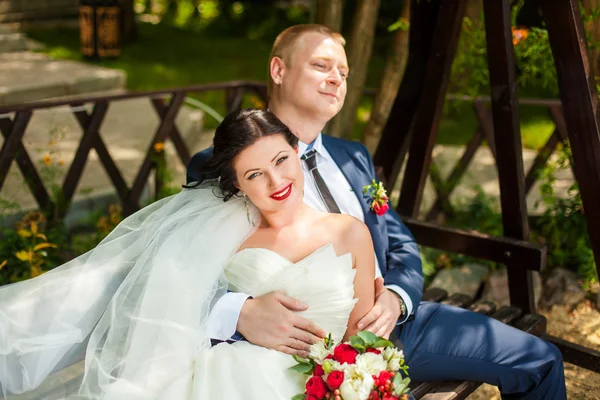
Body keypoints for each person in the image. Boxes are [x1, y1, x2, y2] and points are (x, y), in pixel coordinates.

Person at [187, 24, 567, 399]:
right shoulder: (224, 166)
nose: (336, 78)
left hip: (397, 324)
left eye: (344, 72)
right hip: (301, 351)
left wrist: (397, 298)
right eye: (322, 66)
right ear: (278, 70)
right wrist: (241, 314)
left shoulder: (352, 157)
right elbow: (183, 272)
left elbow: (400, 244)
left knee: (541, 360)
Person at [0, 109, 377, 399]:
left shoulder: (349, 233)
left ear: (296, 151)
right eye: (254, 174)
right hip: (229, 378)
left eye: (281, 160)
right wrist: (237, 313)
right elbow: (150, 298)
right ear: (237, 185)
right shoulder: (226, 232)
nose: (276, 182)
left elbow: (365, 340)